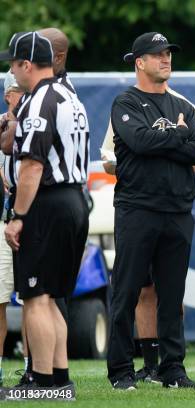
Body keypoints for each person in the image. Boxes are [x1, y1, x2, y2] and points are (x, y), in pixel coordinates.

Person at [106, 32, 195, 391]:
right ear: (140, 62)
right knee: (128, 291)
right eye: (157, 54)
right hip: (138, 209)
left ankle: (172, 369)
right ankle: (121, 370)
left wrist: (172, 140)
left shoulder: (184, 106)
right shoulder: (125, 102)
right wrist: (178, 138)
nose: (165, 59)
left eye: (168, 54)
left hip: (178, 210)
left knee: (172, 296)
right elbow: (139, 142)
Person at [1, 31, 89, 392]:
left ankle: (40, 380)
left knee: (35, 297)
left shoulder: (40, 100)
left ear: (26, 64)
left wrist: (18, 216)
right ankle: (58, 379)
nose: (11, 70)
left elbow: (33, 165)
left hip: (48, 201)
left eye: (12, 63)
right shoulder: (69, 95)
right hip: (74, 199)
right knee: (50, 297)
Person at [0, 72, 24, 386]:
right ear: (9, 96)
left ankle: (34, 369)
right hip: (5, 220)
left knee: (36, 299)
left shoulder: (45, 114)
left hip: (36, 219)